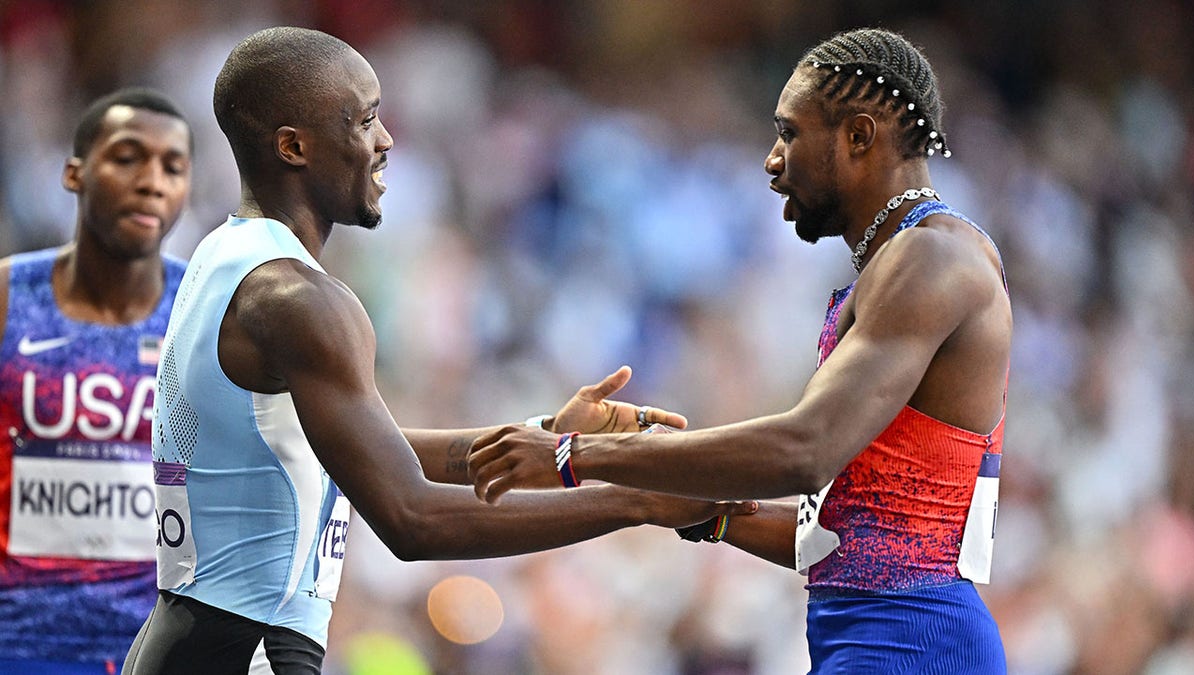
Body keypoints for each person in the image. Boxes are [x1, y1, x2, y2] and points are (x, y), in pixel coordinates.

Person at [121, 26, 751, 675]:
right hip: (246, 648)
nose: (387, 139)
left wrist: (553, 442)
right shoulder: (301, 301)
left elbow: (363, 451)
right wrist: (637, 500)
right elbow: (411, 518)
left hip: (192, 639)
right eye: (365, 119)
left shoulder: (226, 259)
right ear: (294, 146)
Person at [469, 27, 1012, 673]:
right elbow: (856, 538)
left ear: (859, 136)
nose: (772, 161)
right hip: (883, 640)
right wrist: (709, 513)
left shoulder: (932, 258)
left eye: (789, 133)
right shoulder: (902, 264)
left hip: (914, 646)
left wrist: (575, 455)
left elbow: (805, 451)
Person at [0, 88, 192, 673]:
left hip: (157, 648)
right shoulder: (9, 298)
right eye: (129, 157)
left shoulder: (208, 313)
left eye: (173, 167)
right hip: (16, 642)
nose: (152, 181)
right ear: (75, 173)